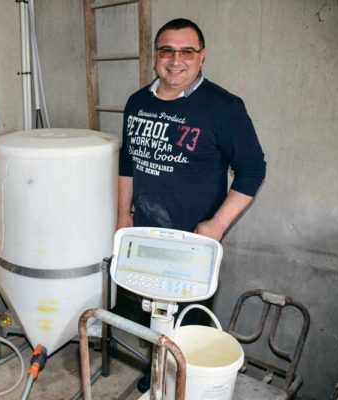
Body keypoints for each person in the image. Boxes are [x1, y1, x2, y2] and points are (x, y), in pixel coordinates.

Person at [117, 18, 266, 392]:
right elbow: (127, 162)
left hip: (192, 241)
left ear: (201, 56)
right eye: (167, 50)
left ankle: (183, 384)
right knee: (148, 316)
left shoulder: (223, 107)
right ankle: (158, 374)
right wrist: (123, 214)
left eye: (187, 51)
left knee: (186, 324)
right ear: (156, 55)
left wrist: (216, 225)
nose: (175, 60)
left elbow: (252, 169)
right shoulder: (137, 102)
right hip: (146, 236)